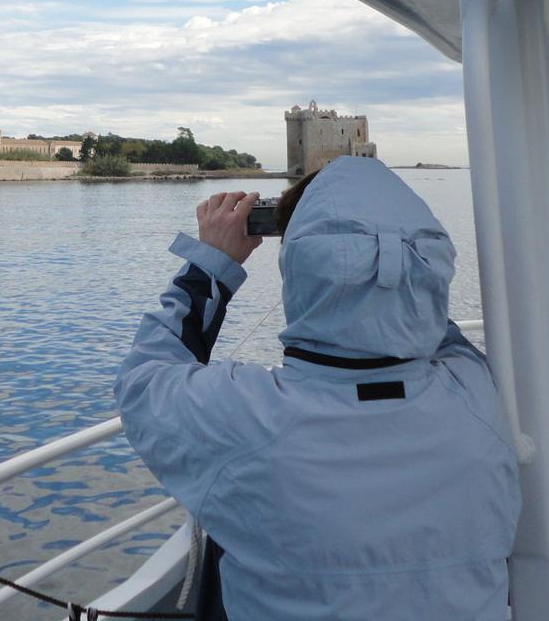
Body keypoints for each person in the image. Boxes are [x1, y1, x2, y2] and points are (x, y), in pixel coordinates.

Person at [114, 156, 521, 620]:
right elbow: (426, 323)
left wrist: (213, 264)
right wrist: (396, 260)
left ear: (299, 268)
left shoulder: (242, 418)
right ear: (429, 264)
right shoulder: (476, 392)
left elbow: (143, 378)